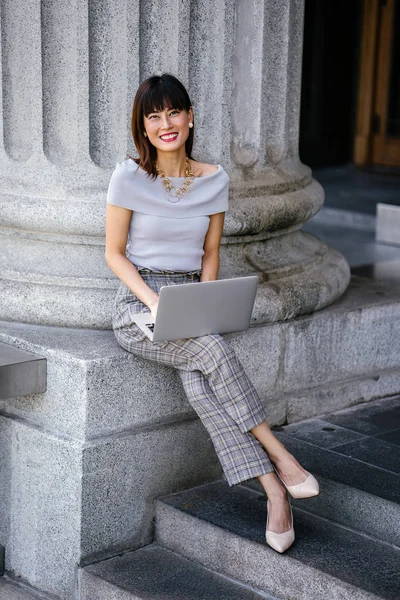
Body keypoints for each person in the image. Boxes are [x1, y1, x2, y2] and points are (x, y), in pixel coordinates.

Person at [104, 73, 319, 553]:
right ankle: (283, 457)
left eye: (173, 112)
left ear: (190, 116)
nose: (166, 124)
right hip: (138, 305)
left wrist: (203, 304)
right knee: (214, 352)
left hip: (190, 296)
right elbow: (114, 254)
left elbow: (210, 253)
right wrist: (154, 301)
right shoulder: (128, 176)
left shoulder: (214, 179)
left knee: (203, 388)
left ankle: (275, 495)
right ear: (142, 125)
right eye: (154, 116)